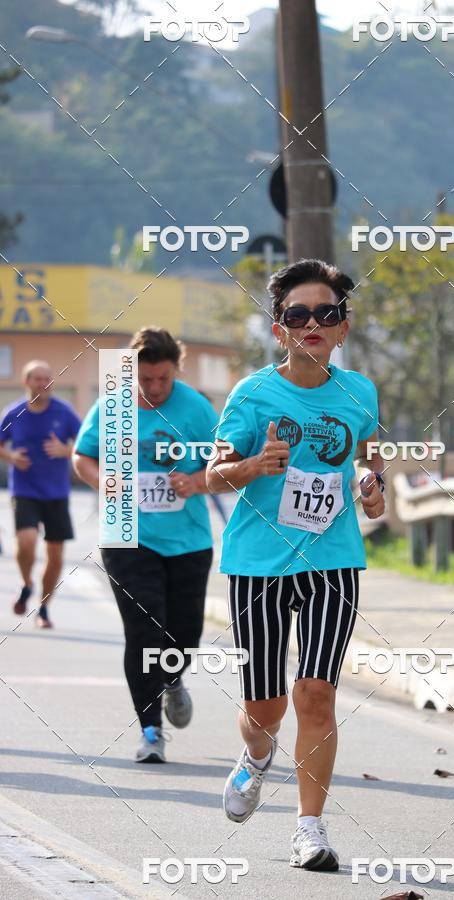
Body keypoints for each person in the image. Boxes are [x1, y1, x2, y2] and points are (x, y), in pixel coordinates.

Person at [206, 259, 385, 873]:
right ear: (280, 328)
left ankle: (309, 829)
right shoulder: (253, 394)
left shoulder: (359, 391)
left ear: (343, 326)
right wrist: (254, 466)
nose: (313, 323)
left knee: (315, 694)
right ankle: (256, 756)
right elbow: (214, 472)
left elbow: (366, 458)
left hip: (333, 560)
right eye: (298, 315)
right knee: (267, 709)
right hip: (257, 562)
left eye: (326, 314)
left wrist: (371, 484)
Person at [73, 328, 217, 762]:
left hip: (188, 537)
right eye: (145, 379)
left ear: (176, 370)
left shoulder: (196, 408)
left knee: (185, 634)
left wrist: (196, 481)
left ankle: (173, 679)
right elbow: (83, 456)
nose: (154, 388)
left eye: (163, 379)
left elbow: (224, 460)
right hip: (126, 535)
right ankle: (151, 731)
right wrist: (105, 483)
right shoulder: (113, 406)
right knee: (142, 629)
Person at [0, 360, 81, 629]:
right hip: (24, 489)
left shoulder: (64, 412)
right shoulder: (14, 413)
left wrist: (65, 450)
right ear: (26, 382)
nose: (44, 383)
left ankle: (44, 607)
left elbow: (85, 445)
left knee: (55, 554)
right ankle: (26, 582)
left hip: (57, 493)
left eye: (48, 379)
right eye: (38, 378)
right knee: (26, 541)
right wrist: (10, 456)